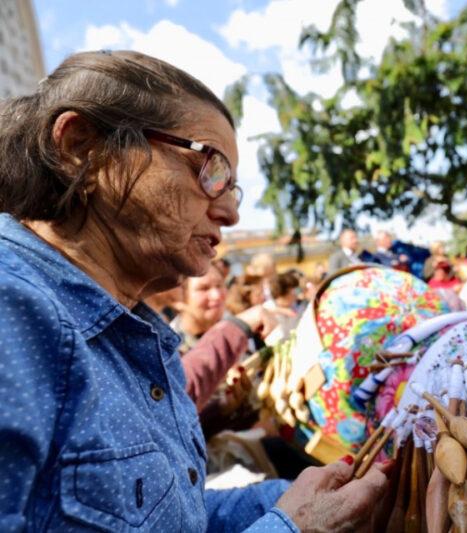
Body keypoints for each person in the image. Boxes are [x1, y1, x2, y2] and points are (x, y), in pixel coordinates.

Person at [0, 50, 388, 532]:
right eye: (211, 167)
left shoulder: (127, 334)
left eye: (233, 187)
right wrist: (293, 528)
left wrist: (291, 499)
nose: (230, 212)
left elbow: (173, 517)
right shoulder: (13, 308)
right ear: (83, 147)